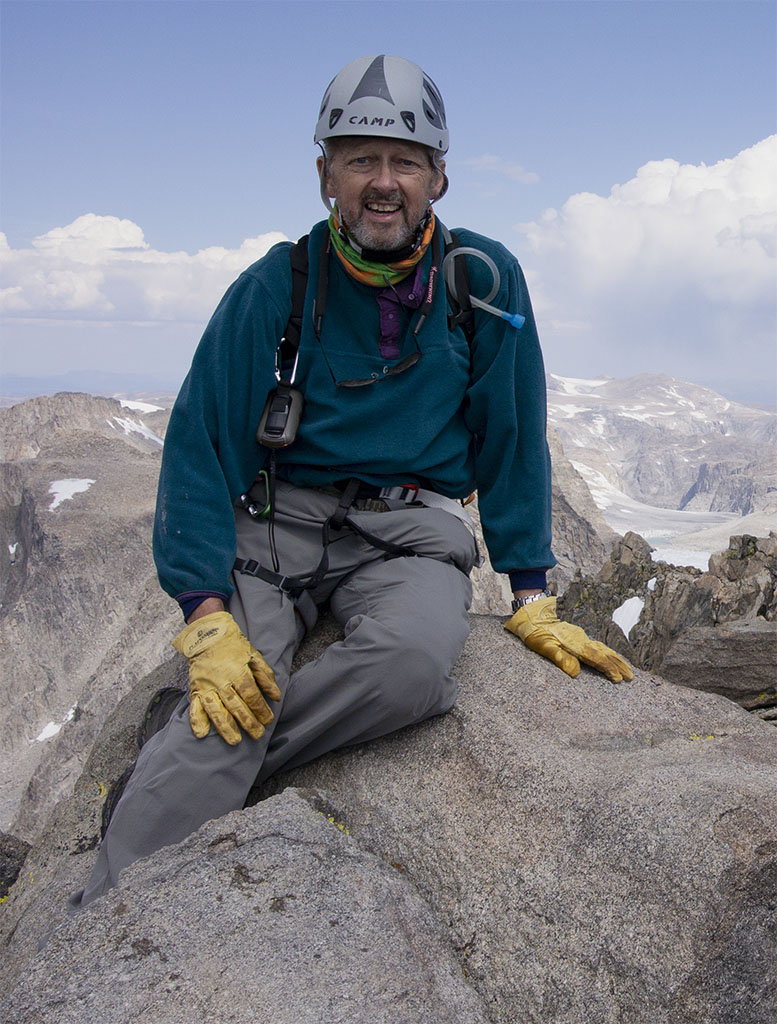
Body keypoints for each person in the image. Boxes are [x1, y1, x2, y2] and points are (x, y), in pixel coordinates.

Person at [72, 54, 632, 909]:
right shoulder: (277, 283)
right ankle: (94, 925)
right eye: (359, 158)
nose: (382, 182)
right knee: (235, 680)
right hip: (277, 522)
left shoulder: (481, 281)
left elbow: (512, 433)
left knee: (410, 669)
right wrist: (204, 614)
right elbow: (199, 444)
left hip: (410, 532)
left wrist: (531, 591)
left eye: (404, 161)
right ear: (323, 172)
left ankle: (205, 760)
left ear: (438, 176)